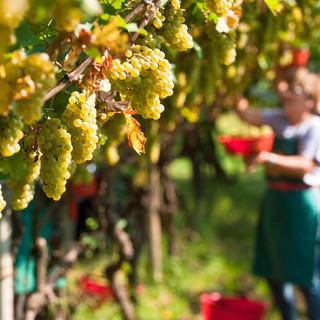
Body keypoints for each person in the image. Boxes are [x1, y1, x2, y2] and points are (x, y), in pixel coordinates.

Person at [233, 66, 320, 320]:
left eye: (296, 90)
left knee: (307, 277)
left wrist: (268, 158)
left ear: (310, 100)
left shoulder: (314, 126)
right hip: (275, 204)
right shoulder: (279, 118)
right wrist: (234, 87)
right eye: (288, 89)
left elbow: (306, 165)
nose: (288, 94)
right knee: (274, 271)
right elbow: (247, 114)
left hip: (302, 205)